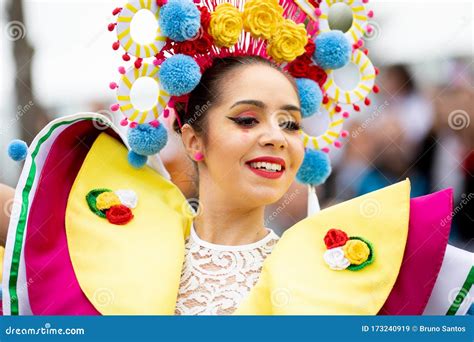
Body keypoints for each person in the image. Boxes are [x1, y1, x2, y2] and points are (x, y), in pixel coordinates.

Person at [1, 0, 472, 316]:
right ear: (193, 141)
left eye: (289, 123)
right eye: (247, 120)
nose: (276, 137)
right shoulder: (116, 242)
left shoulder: (351, 260)